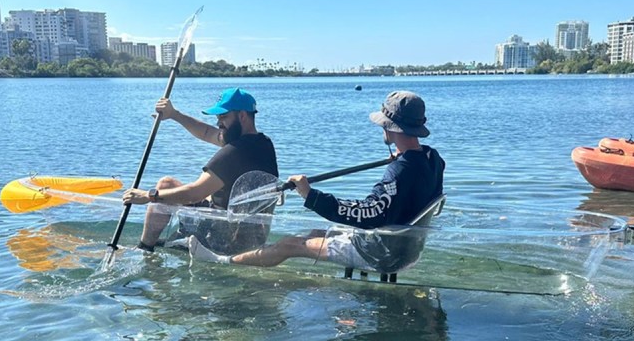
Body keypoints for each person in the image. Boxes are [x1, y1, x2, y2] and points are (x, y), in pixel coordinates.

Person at [190, 90, 445, 273]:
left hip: (381, 252)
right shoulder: (432, 159)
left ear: (389, 127)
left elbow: (368, 214)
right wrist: (401, 161)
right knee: (313, 234)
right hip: (405, 247)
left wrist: (310, 196)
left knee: (289, 244)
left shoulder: (400, 170)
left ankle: (220, 262)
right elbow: (400, 199)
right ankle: (251, 257)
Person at [123, 87, 279, 253]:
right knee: (172, 184)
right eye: (218, 118)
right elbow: (207, 133)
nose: (219, 123)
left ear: (242, 116)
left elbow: (194, 194)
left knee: (164, 186)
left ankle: (144, 249)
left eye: (224, 117)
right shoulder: (263, 144)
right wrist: (174, 114)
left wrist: (148, 196)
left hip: (221, 236)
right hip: (250, 235)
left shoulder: (234, 152)